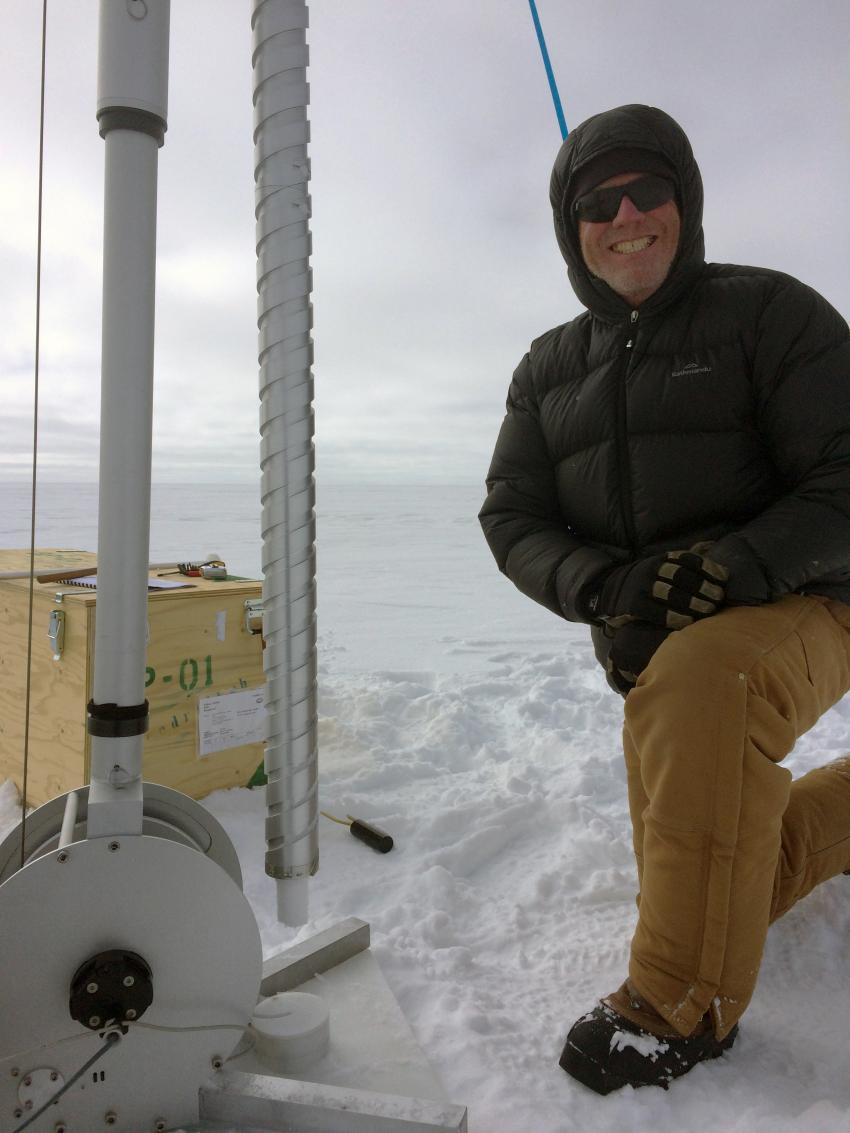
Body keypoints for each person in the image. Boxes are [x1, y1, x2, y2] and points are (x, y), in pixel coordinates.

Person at [479, 103, 850, 1094]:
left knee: (699, 683)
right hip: (669, 640)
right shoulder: (549, 370)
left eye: (647, 190)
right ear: (572, 229)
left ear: (684, 202)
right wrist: (608, 587)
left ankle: (675, 1006)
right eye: (598, 202)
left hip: (819, 597)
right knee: (712, 875)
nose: (626, 215)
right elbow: (512, 516)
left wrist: (731, 567)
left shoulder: (769, 314)